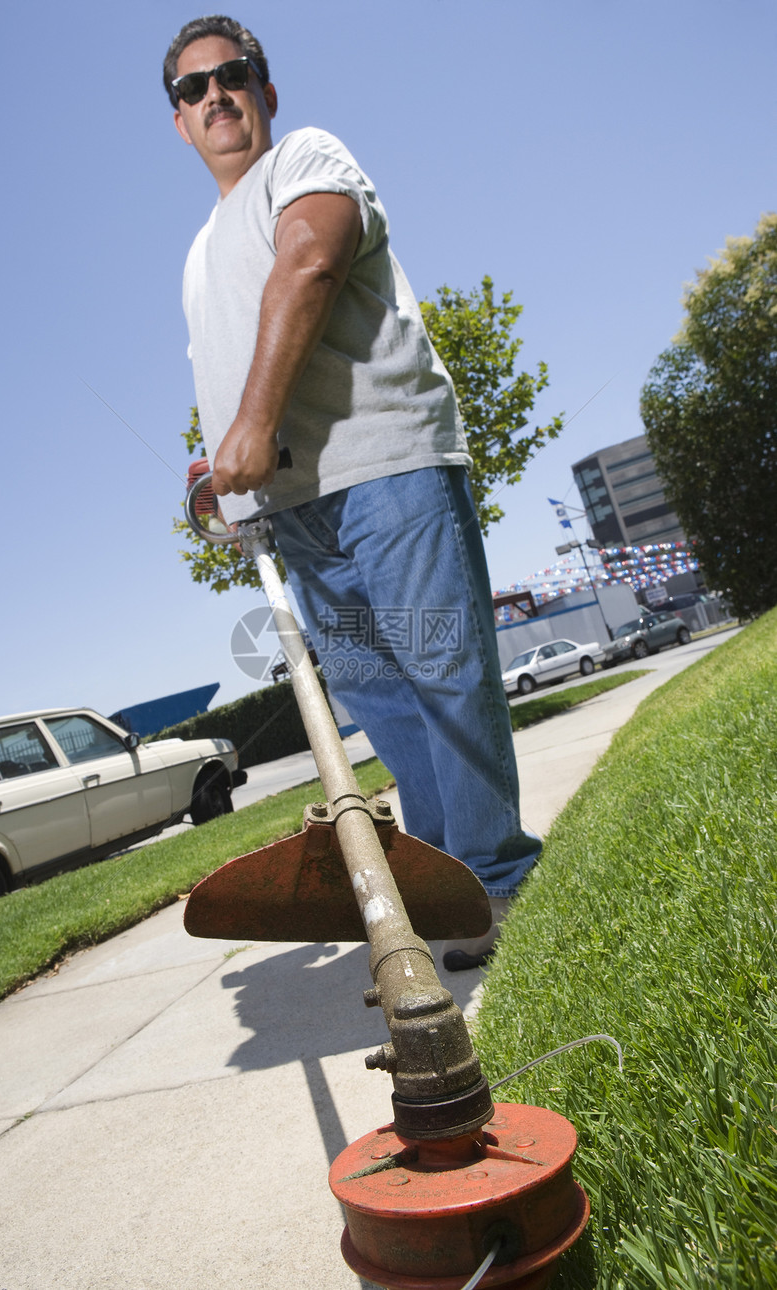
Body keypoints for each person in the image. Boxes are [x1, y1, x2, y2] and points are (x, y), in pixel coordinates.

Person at [164, 15, 541, 969]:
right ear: (178, 120)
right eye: (192, 88)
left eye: (232, 74)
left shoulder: (306, 155)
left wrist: (251, 424)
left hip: (388, 466)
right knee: (384, 701)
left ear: (266, 88)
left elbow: (314, 260)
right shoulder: (199, 250)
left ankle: (500, 880)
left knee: (442, 671)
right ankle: (448, 884)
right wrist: (221, 458)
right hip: (295, 510)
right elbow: (228, 365)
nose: (215, 94)